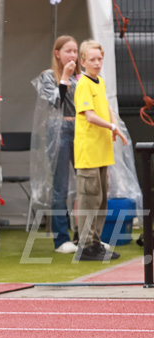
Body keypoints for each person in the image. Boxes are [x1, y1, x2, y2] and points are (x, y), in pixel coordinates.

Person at [73, 39, 125, 261]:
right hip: (88, 152)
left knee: (101, 199)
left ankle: (95, 243)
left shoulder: (99, 82)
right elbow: (90, 115)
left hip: (102, 151)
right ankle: (85, 246)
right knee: (89, 199)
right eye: (92, 59)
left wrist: (114, 126)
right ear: (83, 61)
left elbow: (106, 108)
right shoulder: (83, 84)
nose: (97, 63)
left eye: (99, 59)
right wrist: (112, 126)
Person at [31, 36, 80, 254]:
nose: (73, 55)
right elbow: (56, 101)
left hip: (80, 130)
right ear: (57, 53)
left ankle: (86, 235)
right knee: (60, 186)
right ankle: (62, 238)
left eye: (76, 51)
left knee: (86, 184)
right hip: (58, 130)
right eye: (68, 51)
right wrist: (66, 78)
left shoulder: (81, 79)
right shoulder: (48, 76)